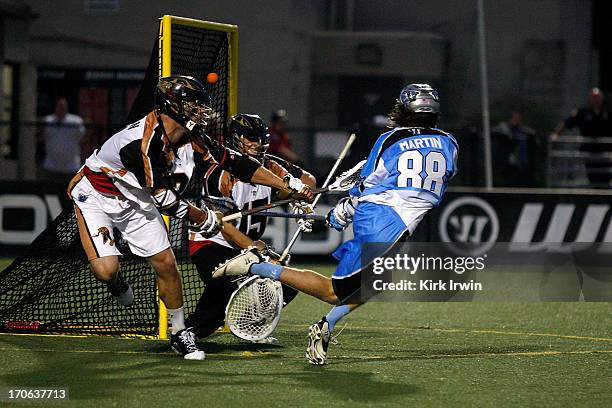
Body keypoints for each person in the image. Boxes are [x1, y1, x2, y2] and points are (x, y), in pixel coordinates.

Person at [68, 76, 313, 360]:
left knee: (167, 263)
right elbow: (163, 199)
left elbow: (235, 162)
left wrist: (288, 186)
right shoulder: (143, 144)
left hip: (139, 198)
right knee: (106, 270)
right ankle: (116, 282)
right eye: (194, 105)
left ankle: (180, 332)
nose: (201, 111)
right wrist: (202, 216)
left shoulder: (191, 137)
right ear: (173, 106)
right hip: (98, 195)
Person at [212, 84, 458, 365]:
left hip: (384, 215)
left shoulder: (390, 139)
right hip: (388, 219)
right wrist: (348, 209)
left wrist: (345, 209)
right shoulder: (449, 141)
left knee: (373, 283)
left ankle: (324, 327)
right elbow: (435, 177)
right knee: (334, 292)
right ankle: (254, 266)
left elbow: (368, 182)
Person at [185, 113, 317, 341]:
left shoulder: (270, 167)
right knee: (226, 282)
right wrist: (254, 248)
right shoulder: (220, 173)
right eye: (252, 138)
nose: (259, 144)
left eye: (261, 138)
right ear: (237, 138)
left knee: (286, 282)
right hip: (211, 241)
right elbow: (223, 225)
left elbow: (309, 181)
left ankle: (250, 324)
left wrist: (297, 197)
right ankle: (190, 331)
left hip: (245, 246)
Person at [552, 88, 612, 187]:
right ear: (590, 99)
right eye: (594, 97)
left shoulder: (608, 113)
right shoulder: (583, 113)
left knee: (605, 177)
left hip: (605, 152)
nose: (596, 100)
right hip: (588, 151)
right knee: (591, 176)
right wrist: (556, 134)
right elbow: (567, 123)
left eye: (598, 97)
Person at [41, 97, 86, 182]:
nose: (62, 108)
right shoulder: (48, 121)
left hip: (71, 167)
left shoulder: (76, 122)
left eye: (64, 106)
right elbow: (41, 136)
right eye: (59, 106)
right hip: (51, 166)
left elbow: (83, 138)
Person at [492, 112, 536, 187]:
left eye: (518, 119)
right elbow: (495, 132)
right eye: (514, 119)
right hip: (505, 163)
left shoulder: (523, 131)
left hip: (519, 163)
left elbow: (532, 133)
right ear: (510, 119)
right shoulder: (503, 130)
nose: (516, 121)